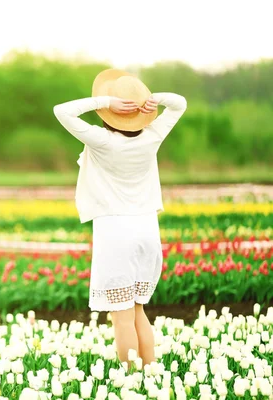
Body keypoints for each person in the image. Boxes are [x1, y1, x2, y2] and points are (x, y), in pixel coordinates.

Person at [52, 69, 187, 369]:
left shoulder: (103, 141)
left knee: (121, 318)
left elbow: (62, 112)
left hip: (115, 232)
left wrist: (104, 101)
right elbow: (179, 104)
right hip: (147, 231)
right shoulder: (153, 136)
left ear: (109, 113)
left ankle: (131, 379)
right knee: (138, 312)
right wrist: (154, 101)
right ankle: (150, 377)